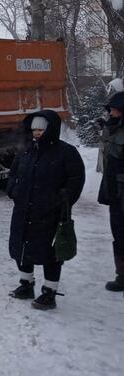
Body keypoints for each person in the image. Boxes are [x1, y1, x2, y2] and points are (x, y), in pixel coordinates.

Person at [7, 110, 85, 310]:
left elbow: (76, 179)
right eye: (34, 129)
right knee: (21, 248)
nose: (37, 133)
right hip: (23, 210)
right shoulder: (26, 151)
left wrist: (62, 199)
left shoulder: (66, 152)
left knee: (51, 253)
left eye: (41, 129)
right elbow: (13, 173)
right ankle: (26, 284)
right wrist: (13, 190)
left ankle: (49, 292)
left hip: (50, 213)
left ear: (50, 129)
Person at [98, 91, 124, 293]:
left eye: (114, 109)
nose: (111, 112)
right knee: (118, 233)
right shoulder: (113, 127)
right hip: (114, 189)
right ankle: (122, 276)